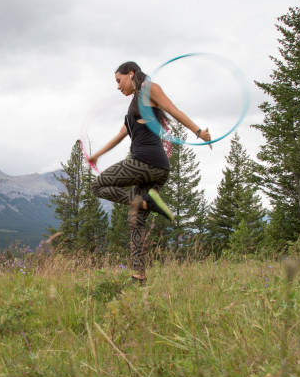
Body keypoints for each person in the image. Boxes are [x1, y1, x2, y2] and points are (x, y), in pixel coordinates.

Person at [89, 61, 212, 283]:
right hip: (157, 169)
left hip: (145, 163)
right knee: (136, 222)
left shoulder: (149, 88)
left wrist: (199, 132)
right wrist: (97, 154)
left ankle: (146, 202)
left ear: (131, 73)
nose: (118, 87)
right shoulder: (135, 104)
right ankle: (139, 276)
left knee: (98, 185)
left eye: (119, 81)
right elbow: (120, 135)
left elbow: (174, 110)